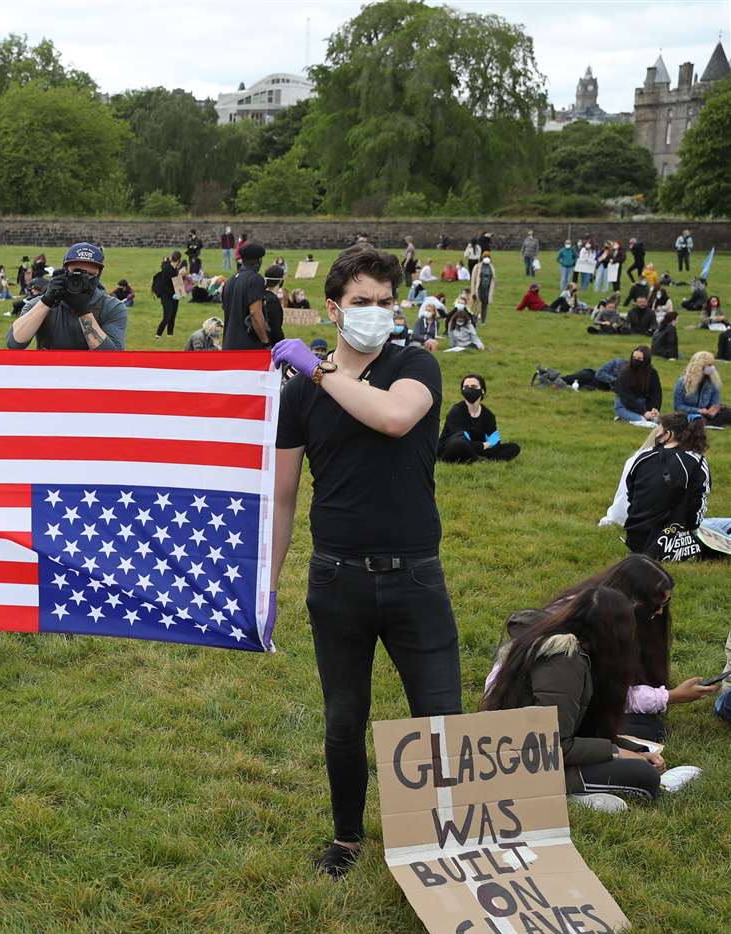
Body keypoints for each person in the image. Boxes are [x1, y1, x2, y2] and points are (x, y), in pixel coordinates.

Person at [270, 244, 460, 878]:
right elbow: (284, 497)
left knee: (440, 720)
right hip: (337, 576)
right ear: (333, 307)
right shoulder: (299, 396)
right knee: (343, 719)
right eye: (361, 303)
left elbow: (395, 418)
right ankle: (347, 837)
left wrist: (320, 372)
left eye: (385, 302)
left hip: (416, 574)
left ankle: (447, 839)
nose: (375, 313)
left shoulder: (414, 366)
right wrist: (266, 585)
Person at [481, 587, 700, 811]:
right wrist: (618, 753)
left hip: (531, 755)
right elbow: (552, 745)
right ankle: (571, 795)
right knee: (645, 776)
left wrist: (636, 751)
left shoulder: (575, 652)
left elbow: (584, 727)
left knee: (642, 744)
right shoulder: (564, 661)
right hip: (522, 767)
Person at [612, 412, 728, 561]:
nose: (656, 433)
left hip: (636, 539)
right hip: (670, 541)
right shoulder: (697, 462)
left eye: (659, 429)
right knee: (722, 525)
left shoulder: (642, 457)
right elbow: (697, 510)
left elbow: (631, 498)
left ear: (669, 434)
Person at [6, 242, 127, 351]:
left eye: (89, 274)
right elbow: (14, 343)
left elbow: (112, 356)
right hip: (51, 371)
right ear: (65, 271)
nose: (81, 279)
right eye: (76, 272)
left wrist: (83, 312)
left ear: (98, 276)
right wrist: (47, 301)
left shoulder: (112, 307)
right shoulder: (41, 304)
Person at [437, 374, 519, 463]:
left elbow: (495, 440)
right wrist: (484, 445)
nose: (469, 389)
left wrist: (488, 445)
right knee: (459, 444)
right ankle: (479, 460)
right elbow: (461, 437)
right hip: (452, 448)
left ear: (482, 391)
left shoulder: (488, 415)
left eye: (473, 386)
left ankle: (476, 459)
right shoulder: (456, 411)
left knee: (514, 447)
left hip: (476, 448)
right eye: (466, 387)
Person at [221, 242, 274, 350]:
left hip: (228, 344)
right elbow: (255, 313)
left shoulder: (230, 281)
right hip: (247, 346)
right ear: (259, 261)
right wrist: (266, 342)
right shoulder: (254, 279)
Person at [614, 346, 663, 425]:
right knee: (643, 421)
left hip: (643, 404)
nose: (636, 361)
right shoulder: (624, 373)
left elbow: (656, 393)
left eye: (639, 359)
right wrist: (643, 412)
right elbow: (626, 398)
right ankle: (623, 416)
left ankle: (624, 418)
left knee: (656, 421)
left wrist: (654, 409)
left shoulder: (652, 373)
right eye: (634, 357)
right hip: (624, 405)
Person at [674, 351, 722, 424]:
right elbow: (678, 406)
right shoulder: (683, 382)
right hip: (687, 415)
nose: (712, 368)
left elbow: (715, 403)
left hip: (706, 416)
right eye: (709, 365)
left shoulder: (713, 383)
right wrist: (698, 410)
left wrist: (713, 409)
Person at [152, 252, 183, 338]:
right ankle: (158, 334)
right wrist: (172, 294)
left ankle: (170, 334)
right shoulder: (167, 269)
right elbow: (163, 284)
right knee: (167, 316)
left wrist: (180, 293)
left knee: (173, 315)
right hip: (166, 296)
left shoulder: (175, 269)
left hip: (175, 296)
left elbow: (176, 282)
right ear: (179, 260)